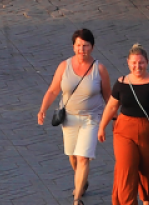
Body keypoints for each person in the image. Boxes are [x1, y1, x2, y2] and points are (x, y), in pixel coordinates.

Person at [35, 29, 108, 205]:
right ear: (73, 46)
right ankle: (81, 180)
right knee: (73, 156)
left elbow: (108, 95)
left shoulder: (99, 69)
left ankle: (77, 198)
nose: (81, 49)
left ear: (92, 47)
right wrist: (43, 108)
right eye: (78, 45)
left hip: (91, 118)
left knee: (83, 157)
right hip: (68, 118)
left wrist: (112, 117)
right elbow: (53, 90)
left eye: (85, 45)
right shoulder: (64, 66)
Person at [96, 44, 149, 204]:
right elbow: (112, 106)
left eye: (141, 62)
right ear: (128, 63)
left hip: (148, 131)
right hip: (124, 131)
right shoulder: (121, 83)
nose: (137, 66)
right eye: (134, 63)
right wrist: (102, 126)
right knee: (125, 169)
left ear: (147, 62)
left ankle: (146, 200)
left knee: (148, 169)